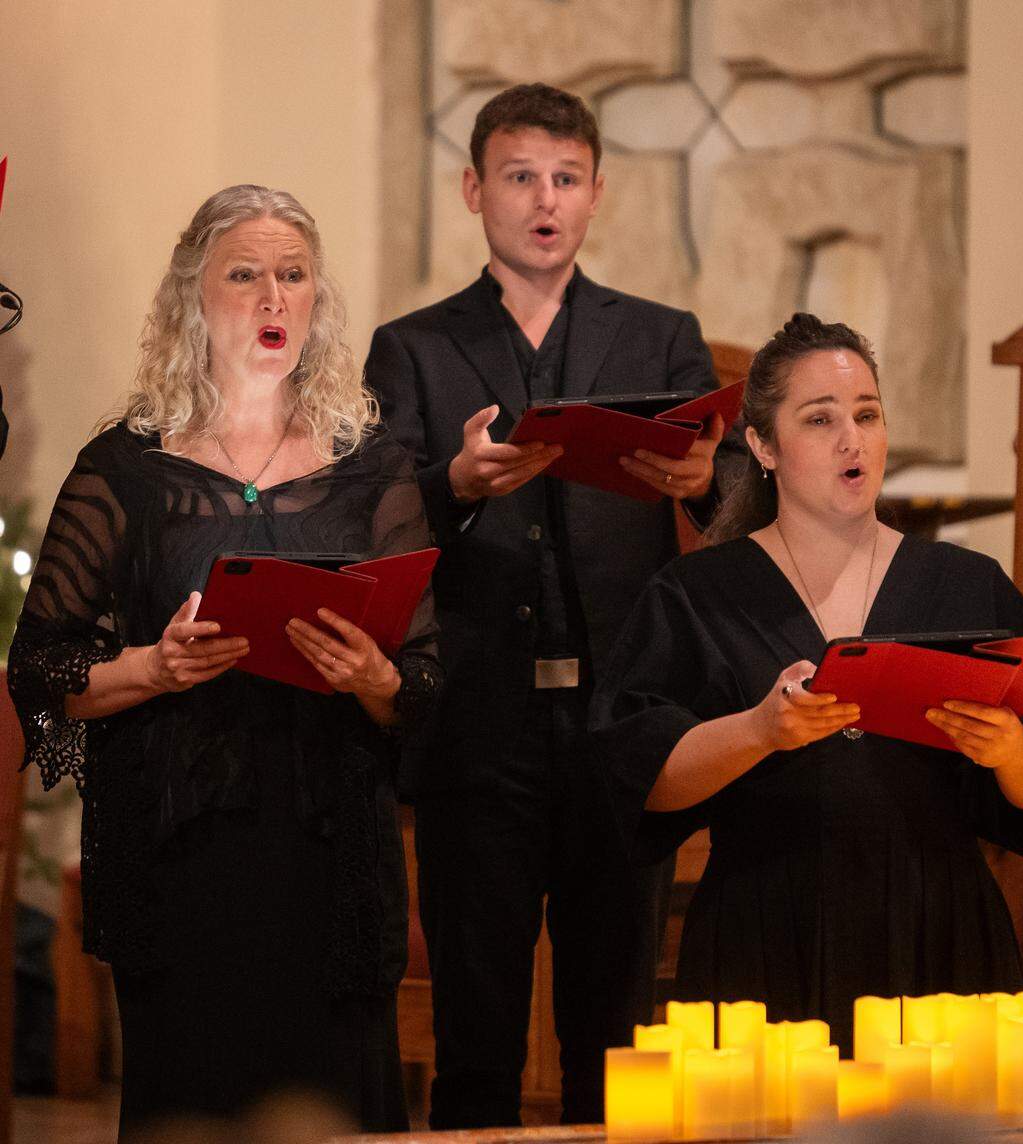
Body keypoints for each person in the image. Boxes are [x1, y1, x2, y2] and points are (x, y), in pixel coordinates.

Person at [7, 185, 441, 1139]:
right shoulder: (124, 468)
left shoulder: (374, 470)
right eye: (245, 275)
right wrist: (151, 669)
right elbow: (39, 668)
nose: (273, 297)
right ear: (192, 301)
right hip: (179, 856)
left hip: (331, 861)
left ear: (318, 299)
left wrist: (374, 678)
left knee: (337, 1105)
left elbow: (427, 682)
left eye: (293, 276)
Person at [364, 83, 736, 1127]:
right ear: (475, 190)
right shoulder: (415, 348)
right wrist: (456, 485)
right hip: (476, 722)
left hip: (623, 723)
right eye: (521, 176)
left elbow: (741, 497)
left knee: (612, 1038)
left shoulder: (662, 337)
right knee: (478, 1036)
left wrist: (701, 480)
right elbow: (371, 518)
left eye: (567, 179)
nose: (546, 199)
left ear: (598, 193)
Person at [589, 312, 1023, 1057]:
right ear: (762, 445)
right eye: (819, 419)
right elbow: (640, 781)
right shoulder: (699, 592)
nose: (851, 439)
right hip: (765, 931)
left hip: (939, 935)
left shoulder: (965, 586)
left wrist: (1010, 747)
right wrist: (760, 731)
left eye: (867, 415)